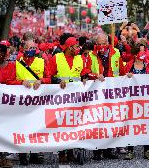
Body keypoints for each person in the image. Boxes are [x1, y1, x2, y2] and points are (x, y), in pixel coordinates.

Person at [49, 34, 99, 163]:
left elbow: (83, 71)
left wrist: (86, 76)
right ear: (69, 47)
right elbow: (49, 75)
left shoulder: (79, 59)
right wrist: (58, 80)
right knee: (61, 125)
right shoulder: (56, 58)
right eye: (76, 46)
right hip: (60, 96)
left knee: (73, 123)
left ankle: (71, 152)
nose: (78, 48)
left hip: (76, 97)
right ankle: (61, 153)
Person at [90, 33, 125, 160]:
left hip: (112, 92)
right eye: (98, 44)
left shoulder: (116, 52)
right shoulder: (91, 54)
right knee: (98, 121)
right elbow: (86, 72)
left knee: (110, 121)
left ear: (108, 43)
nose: (101, 46)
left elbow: (122, 71)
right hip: (97, 93)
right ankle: (97, 151)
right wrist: (95, 76)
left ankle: (109, 150)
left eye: (103, 43)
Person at [124, 42, 149, 161]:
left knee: (145, 125)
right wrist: (126, 76)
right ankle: (130, 150)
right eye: (141, 52)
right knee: (131, 124)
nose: (143, 54)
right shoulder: (129, 65)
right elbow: (122, 81)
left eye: (144, 51)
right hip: (131, 101)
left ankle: (147, 150)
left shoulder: (148, 65)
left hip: (145, 101)